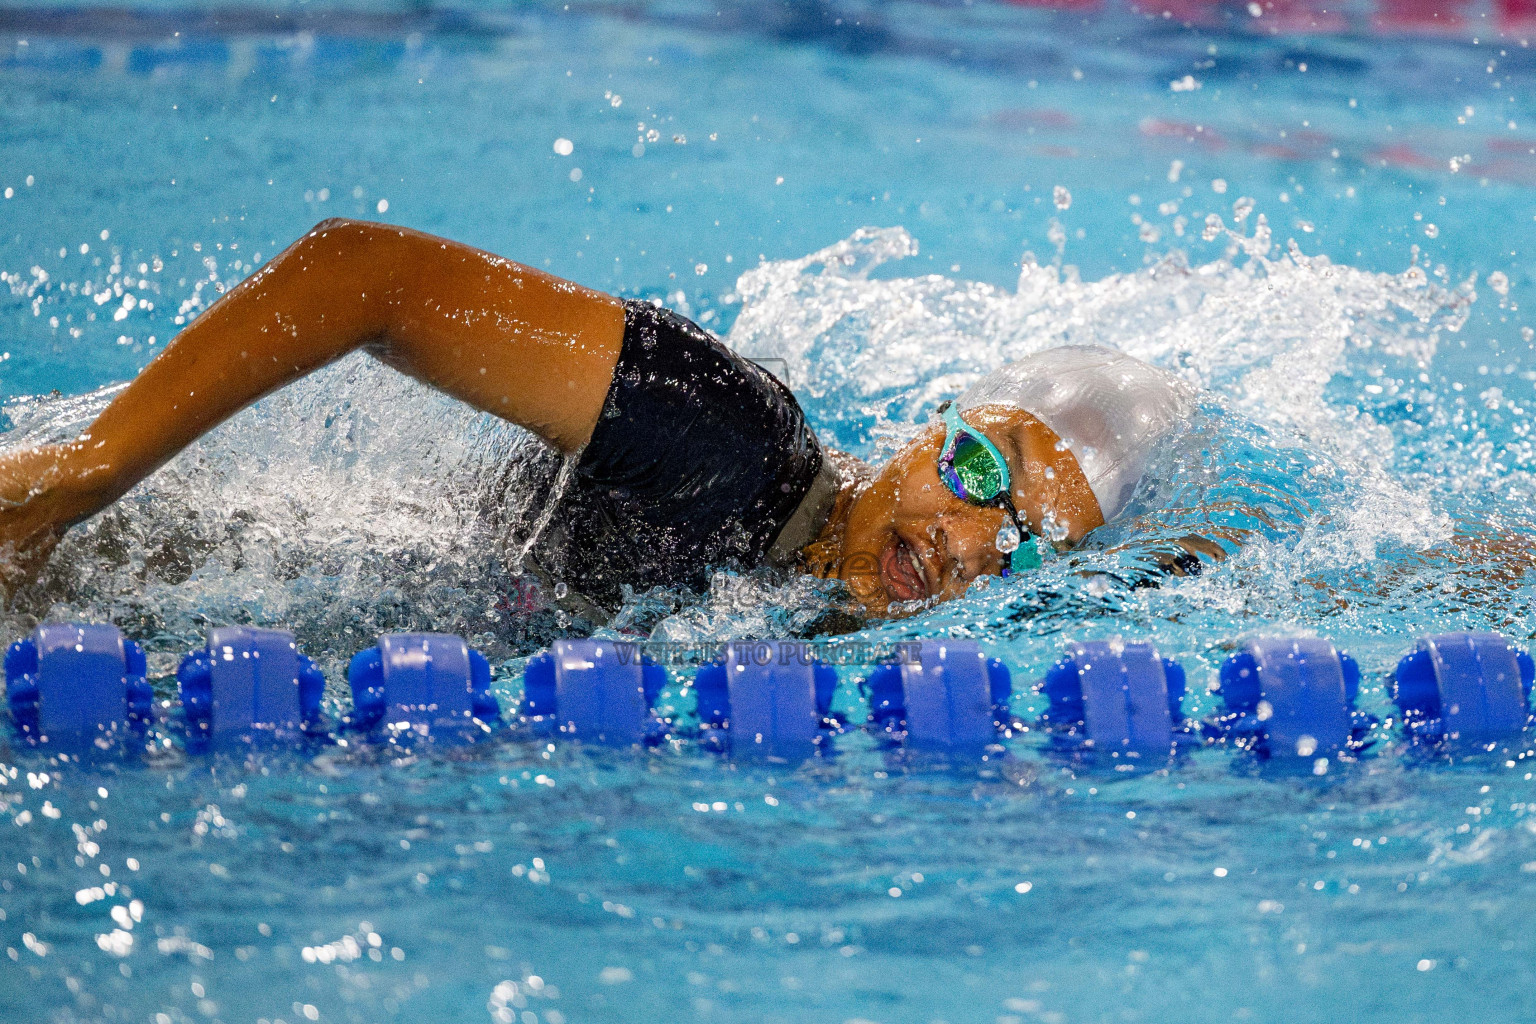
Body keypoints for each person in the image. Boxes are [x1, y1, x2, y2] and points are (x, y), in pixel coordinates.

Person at [0, 219, 1208, 623]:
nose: (967, 538)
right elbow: (361, 273)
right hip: (173, 573)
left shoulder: (858, 629)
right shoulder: (731, 441)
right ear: (923, 429)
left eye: (1028, 543)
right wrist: (89, 468)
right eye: (978, 467)